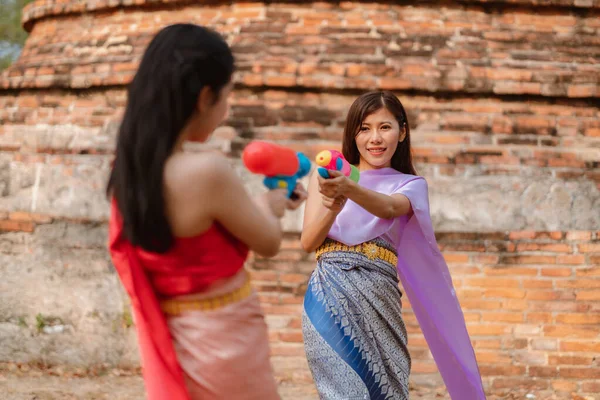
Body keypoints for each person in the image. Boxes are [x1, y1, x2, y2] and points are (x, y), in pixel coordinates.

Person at [106, 24, 306, 400]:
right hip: (223, 337)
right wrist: (271, 205)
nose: (226, 108)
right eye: (226, 97)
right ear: (204, 97)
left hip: (175, 331)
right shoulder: (205, 172)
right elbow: (268, 241)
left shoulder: (129, 169)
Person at [300, 91, 485, 400]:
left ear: (402, 132)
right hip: (328, 293)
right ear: (353, 134)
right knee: (339, 390)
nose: (375, 138)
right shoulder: (327, 179)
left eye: (385, 127)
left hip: (379, 295)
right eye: (364, 128)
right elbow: (308, 242)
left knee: (387, 389)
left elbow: (388, 208)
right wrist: (334, 202)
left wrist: (350, 188)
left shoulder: (410, 185)